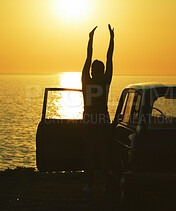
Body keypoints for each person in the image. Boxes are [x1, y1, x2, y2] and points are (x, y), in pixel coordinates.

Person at [81, 24, 114, 193]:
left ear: (93, 71)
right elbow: (109, 58)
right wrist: (112, 39)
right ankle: (105, 185)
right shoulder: (105, 81)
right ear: (102, 71)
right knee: (103, 153)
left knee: (91, 152)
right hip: (102, 119)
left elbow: (88, 58)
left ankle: (90, 185)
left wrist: (91, 39)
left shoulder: (86, 80)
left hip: (89, 119)